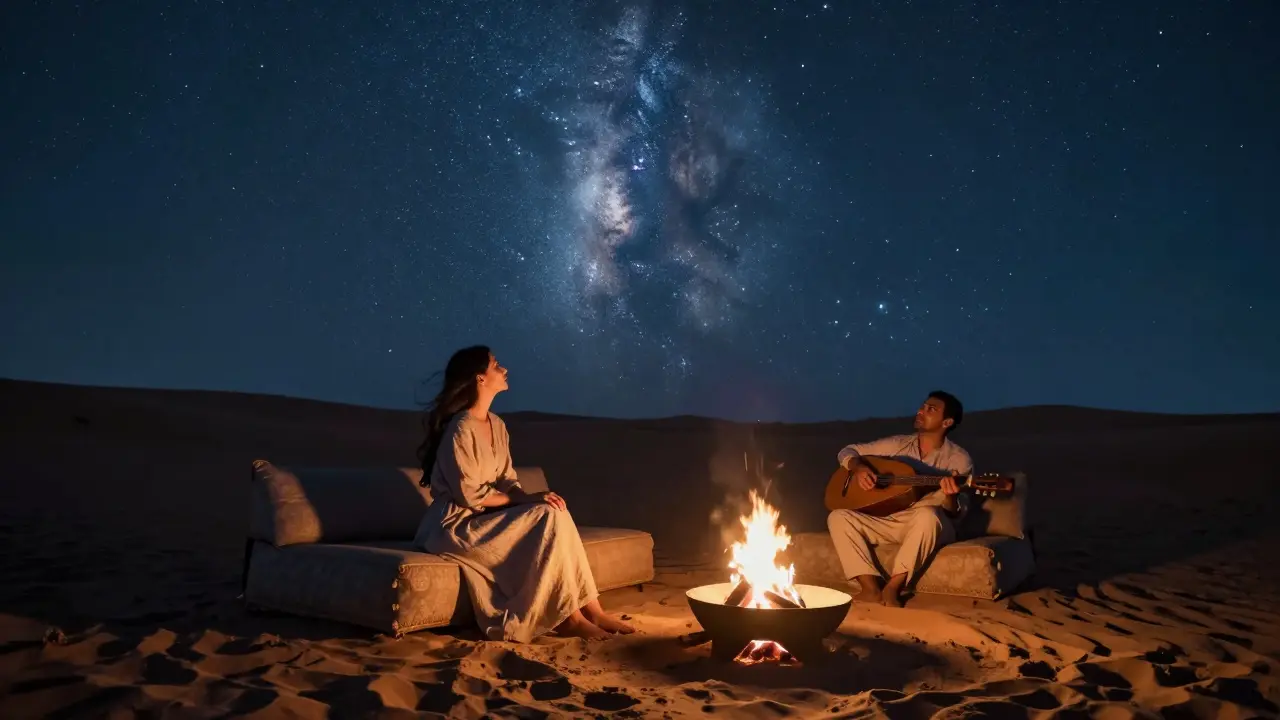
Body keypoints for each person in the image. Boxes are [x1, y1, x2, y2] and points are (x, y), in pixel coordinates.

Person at [412, 345, 635, 641]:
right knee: (544, 515)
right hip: (456, 526)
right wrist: (524, 499)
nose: (504, 370)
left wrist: (527, 495)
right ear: (480, 378)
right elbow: (467, 495)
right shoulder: (460, 429)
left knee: (556, 510)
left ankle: (592, 610)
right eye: (496, 365)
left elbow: (507, 479)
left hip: (487, 518)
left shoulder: (498, 426)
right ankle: (570, 620)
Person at [826, 391, 974, 607]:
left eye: (930, 409)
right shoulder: (897, 444)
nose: (920, 411)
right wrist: (858, 468)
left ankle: (893, 588)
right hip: (889, 519)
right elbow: (847, 451)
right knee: (838, 517)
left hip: (928, 525)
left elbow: (956, 514)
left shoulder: (959, 459)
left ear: (947, 422)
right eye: (922, 407)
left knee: (928, 515)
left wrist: (951, 496)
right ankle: (870, 588)